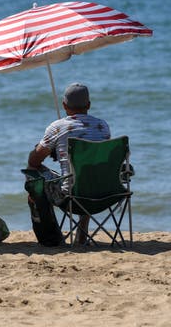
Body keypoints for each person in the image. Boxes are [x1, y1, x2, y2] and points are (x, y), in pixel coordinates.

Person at [27, 82, 110, 244]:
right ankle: (81, 234)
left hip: (70, 197)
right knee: (87, 176)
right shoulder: (103, 126)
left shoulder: (58, 127)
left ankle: (51, 237)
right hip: (103, 195)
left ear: (64, 105)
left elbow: (34, 160)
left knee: (32, 172)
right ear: (89, 105)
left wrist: (47, 148)